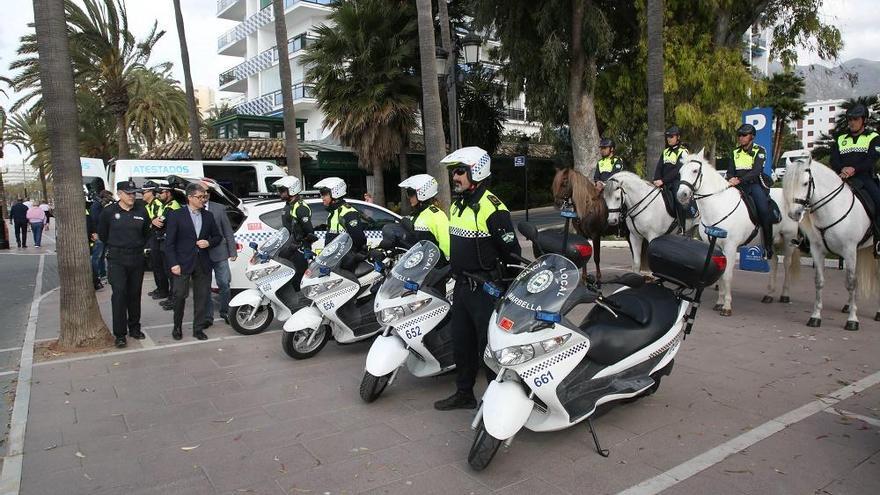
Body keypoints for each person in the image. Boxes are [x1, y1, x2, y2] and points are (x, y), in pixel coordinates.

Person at [435, 146, 522, 411]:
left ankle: (497, 402)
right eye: (454, 172)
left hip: (486, 290)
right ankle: (465, 394)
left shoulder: (493, 208)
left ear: (477, 171)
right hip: (462, 287)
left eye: (460, 171)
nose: (455, 177)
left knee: (488, 349)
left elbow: (512, 254)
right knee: (461, 344)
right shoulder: (458, 205)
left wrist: (508, 292)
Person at [164, 182, 222, 341]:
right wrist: (173, 263)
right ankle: (177, 327)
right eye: (200, 197)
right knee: (180, 296)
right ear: (190, 197)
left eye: (204, 197)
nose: (203, 200)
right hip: (182, 263)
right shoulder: (176, 215)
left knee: (202, 297)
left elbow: (217, 236)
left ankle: (198, 328)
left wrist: (208, 242)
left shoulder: (208, 216)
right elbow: (169, 243)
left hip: (202, 262)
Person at [97, 180, 151, 348]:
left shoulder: (141, 211)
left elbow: (146, 233)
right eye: (129, 193)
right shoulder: (109, 212)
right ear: (119, 194)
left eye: (134, 193)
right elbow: (103, 234)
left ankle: (134, 327)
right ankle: (120, 334)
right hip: (117, 259)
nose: (132, 196)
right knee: (119, 295)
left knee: (135, 294)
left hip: (136, 258)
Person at [830, 103, 880, 256]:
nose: (852, 122)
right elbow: (834, 159)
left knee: (879, 201)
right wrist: (841, 169)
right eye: (849, 119)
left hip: (864, 177)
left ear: (863, 120)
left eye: (855, 119)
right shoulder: (840, 138)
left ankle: (878, 240)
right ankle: (809, 239)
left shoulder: (873, 137)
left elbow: (872, 158)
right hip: (842, 177)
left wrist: (854, 169)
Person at [727, 123, 774, 259]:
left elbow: (756, 171)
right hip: (737, 186)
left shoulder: (760, 150)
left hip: (753, 185)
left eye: (744, 135)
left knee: (764, 211)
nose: (741, 138)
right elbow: (730, 171)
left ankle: (768, 246)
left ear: (752, 136)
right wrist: (731, 179)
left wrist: (739, 180)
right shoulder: (735, 152)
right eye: (739, 135)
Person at [203, 183, 238, 326]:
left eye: (206, 192)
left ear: (209, 194)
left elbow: (228, 231)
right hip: (202, 254)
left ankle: (225, 312)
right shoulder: (190, 210)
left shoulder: (219, 209)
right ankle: (207, 317)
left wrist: (232, 251)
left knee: (224, 283)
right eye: (201, 192)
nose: (204, 195)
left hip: (220, 253)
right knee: (204, 287)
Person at [274, 176, 316, 291]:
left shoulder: (301, 207)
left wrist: (301, 244)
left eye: (282, 190)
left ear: (292, 190)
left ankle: (300, 304)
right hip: (289, 248)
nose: (280, 193)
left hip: (298, 249)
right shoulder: (289, 205)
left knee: (298, 278)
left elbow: (309, 231)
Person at [398, 174, 450, 259]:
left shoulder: (436, 215)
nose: (409, 197)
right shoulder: (417, 214)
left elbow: (446, 243)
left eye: (410, 193)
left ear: (423, 193)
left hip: (435, 266)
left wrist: (449, 264)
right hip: (418, 262)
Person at [653, 125, 692, 232]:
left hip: (676, 181)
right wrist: (656, 179)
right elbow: (659, 167)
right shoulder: (665, 152)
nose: (669, 139)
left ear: (678, 137)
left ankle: (681, 226)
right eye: (668, 137)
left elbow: (678, 170)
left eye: (671, 136)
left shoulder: (683, 151)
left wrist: (663, 181)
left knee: (678, 198)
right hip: (663, 182)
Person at [314, 177, 367, 251]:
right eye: (321, 194)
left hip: (347, 259)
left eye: (324, 194)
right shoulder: (333, 212)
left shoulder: (348, 213)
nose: (322, 197)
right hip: (334, 259)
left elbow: (359, 240)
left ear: (335, 193)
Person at [153, 182, 182, 310]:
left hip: (171, 244)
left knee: (172, 274)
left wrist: (155, 221)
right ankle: (171, 297)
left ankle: (175, 300)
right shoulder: (166, 205)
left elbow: (160, 223)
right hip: (165, 242)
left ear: (168, 193)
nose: (158, 195)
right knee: (168, 272)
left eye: (161, 192)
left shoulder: (173, 205)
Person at [90, 190, 114, 282]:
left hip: (102, 233)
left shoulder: (99, 205)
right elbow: (96, 219)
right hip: (98, 233)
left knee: (101, 256)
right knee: (97, 256)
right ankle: (97, 276)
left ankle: (102, 274)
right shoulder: (97, 206)